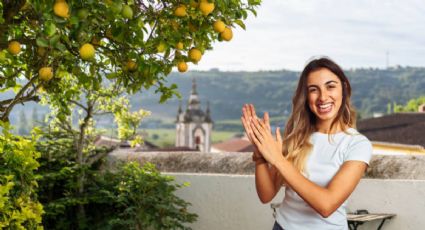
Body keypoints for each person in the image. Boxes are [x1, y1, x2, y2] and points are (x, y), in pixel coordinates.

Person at [241, 57, 372, 230]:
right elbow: (266, 195)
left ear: (344, 89)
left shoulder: (357, 144)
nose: (323, 97)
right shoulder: (296, 138)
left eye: (330, 86)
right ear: (306, 96)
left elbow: (326, 205)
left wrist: (278, 159)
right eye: (313, 90)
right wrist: (260, 156)